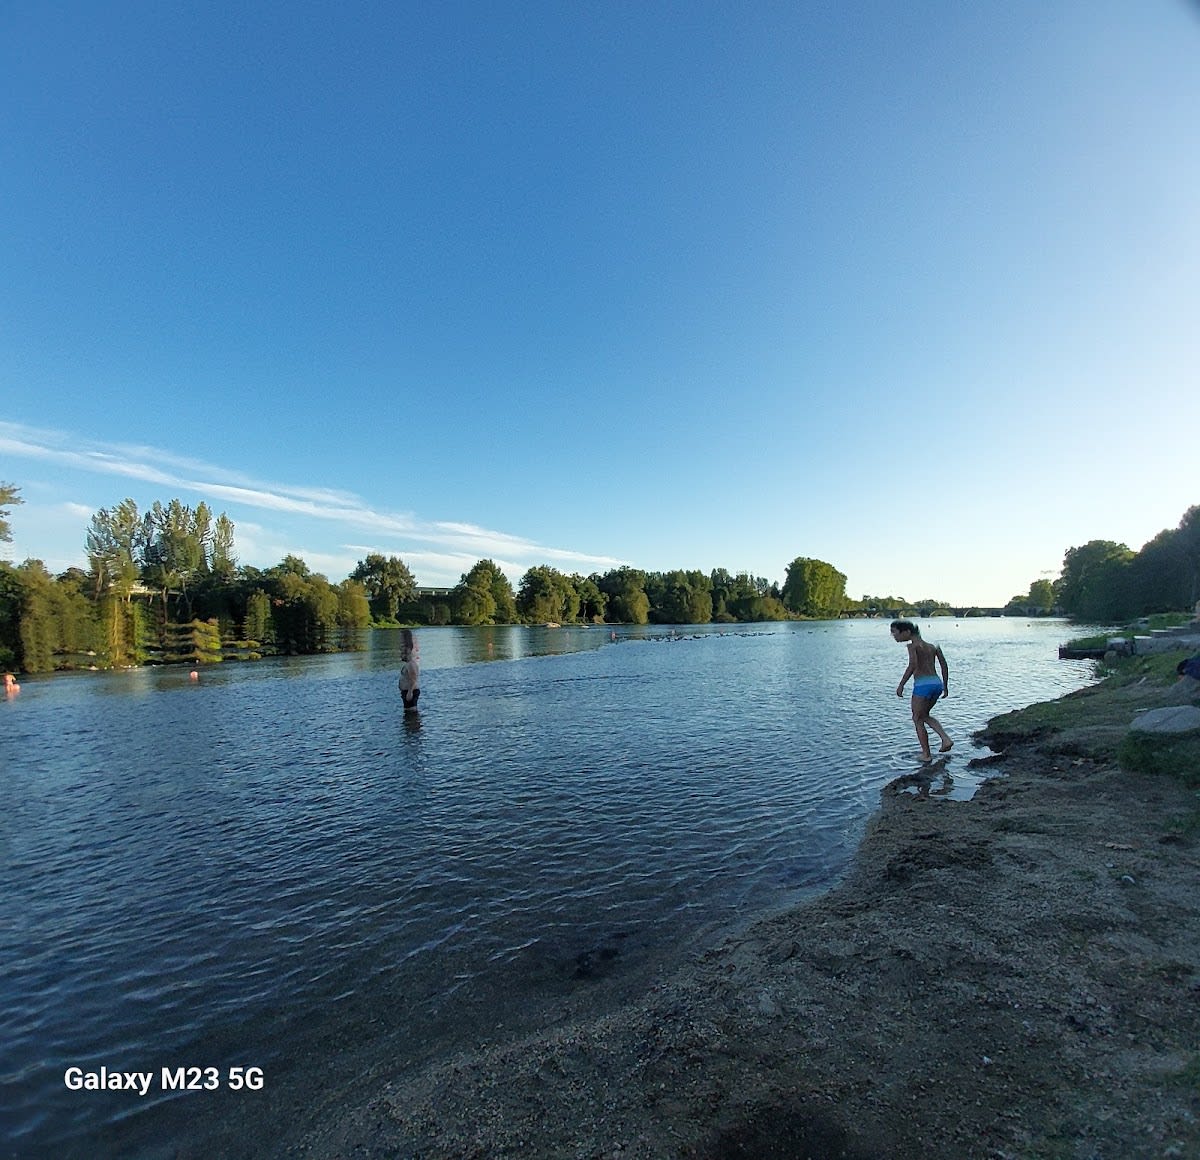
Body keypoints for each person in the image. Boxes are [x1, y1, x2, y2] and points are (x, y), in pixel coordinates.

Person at [891, 619, 952, 761]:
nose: (894, 636)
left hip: (922, 685)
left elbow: (912, 665)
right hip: (936, 684)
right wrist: (945, 686)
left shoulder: (912, 647)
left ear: (906, 632)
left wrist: (901, 684)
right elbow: (944, 665)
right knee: (924, 715)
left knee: (917, 718)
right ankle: (945, 739)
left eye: (895, 632)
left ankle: (926, 755)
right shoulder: (932, 646)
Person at [398, 629, 421, 712]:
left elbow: (413, 677)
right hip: (407, 692)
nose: (400, 649)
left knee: (411, 714)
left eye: (402, 646)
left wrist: (410, 692)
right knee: (408, 716)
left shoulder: (411, 663)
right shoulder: (408, 663)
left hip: (410, 693)